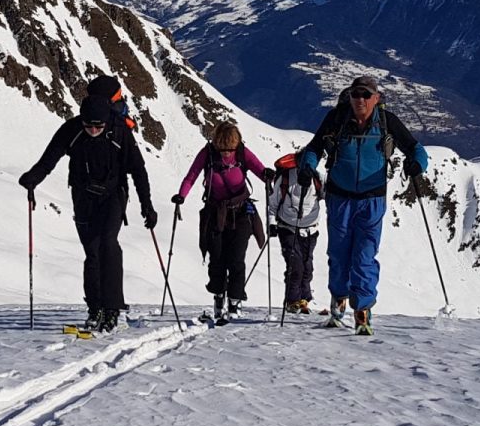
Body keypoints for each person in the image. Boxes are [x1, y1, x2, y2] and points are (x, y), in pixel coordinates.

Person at [298, 75, 427, 336]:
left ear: (376, 98)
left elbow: (415, 148)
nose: (360, 99)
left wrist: (418, 164)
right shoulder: (337, 119)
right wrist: (306, 166)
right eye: (356, 94)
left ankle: (363, 309)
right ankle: (339, 300)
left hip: (371, 200)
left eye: (366, 95)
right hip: (340, 198)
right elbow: (314, 147)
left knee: (364, 256)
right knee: (339, 254)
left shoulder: (387, 121)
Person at [18, 92, 155, 333]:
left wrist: (147, 205)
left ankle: (112, 308)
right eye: (88, 126)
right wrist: (33, 179)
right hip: (83, 196)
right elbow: (50, 158)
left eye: (98, 126)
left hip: (114, 194)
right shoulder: (72, 130)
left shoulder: (120, 131)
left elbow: (138, 170)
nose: (93, 130)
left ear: (106, 121)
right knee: (92, 250)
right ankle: (95, 308)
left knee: (108, 244)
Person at [173, 120, 270, 323]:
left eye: (230, 150)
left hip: (241, 213)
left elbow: (260, 170)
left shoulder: (242, 153)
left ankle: (234, 300)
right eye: (222, 149)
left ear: (236, 145)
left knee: (236, 259)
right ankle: (219, 295)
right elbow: (191, 176)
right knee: (216, 258)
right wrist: (181, 195)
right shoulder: (208, 154)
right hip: (215, 213)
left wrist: (268, 176)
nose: (226, 154)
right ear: (216, 143)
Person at [266, 152, 323, 315]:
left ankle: (304, 299)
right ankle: (292, 301)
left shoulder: (317, 178)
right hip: (288, 228)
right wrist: (272, 224)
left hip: (311, 230)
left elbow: (329, 195)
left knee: (307, 266)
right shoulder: (285, 178)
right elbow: (273, 203)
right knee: (295, 265)